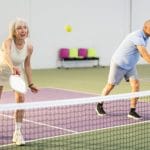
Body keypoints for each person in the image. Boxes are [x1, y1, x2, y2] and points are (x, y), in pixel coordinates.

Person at [96, 19, 150, 120]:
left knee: (136, 85)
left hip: (130, 65)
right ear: (145, 28)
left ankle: (132, 111)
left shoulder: (146, 37)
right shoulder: (137, 37)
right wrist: (146, 57)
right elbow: (146, 56)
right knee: (110, 86)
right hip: (119, 63)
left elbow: (142, 54)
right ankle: (99, 104)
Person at [0, 18, 38, 145]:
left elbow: (27, 65)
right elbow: (5, 56)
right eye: (19, 28)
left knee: (21, 99)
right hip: (2, 69)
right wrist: (12, 68)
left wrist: (31, 83)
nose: (23, 30)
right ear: (14, 31)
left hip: (17, 71)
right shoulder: (8, 42)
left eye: (25, 27)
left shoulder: (29, 46)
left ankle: (17, 132)